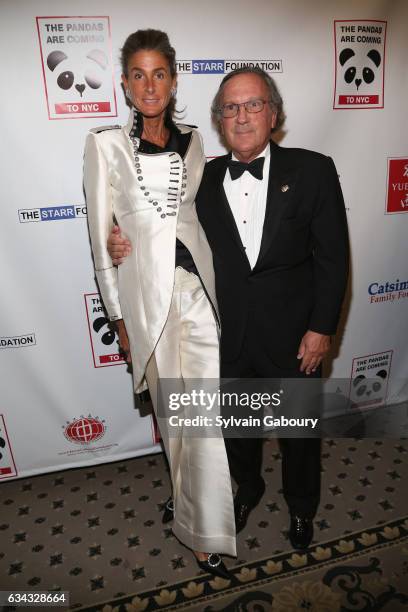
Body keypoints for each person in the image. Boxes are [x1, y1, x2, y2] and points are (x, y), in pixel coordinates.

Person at [107, 66, 349, 550]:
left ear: (273, 113)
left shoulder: (313, 168)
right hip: (227, 334)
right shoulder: (203, 175)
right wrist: (120, 240)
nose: (242, 116)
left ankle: (302, 507)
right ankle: (248, 489)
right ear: (218, 120)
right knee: (239, 432)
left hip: (294, 336)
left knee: (298, 437)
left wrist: (321, 329)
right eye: (230, 108)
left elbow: (334, 257)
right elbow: (159, 219)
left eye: (253, 104)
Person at [84, 29, 235, 578]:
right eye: (139, 75)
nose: (150, 85)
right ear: (125, 84)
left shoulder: (194, 140)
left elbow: (195, 216)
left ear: (173, 80)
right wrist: (118, 316)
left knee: (205, 415)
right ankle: (192, 507)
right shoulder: (104, 144)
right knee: (179, 419)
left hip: (199, 292)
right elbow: (102, 238)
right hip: (149, 300)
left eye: (160, 74)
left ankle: (205, 528)